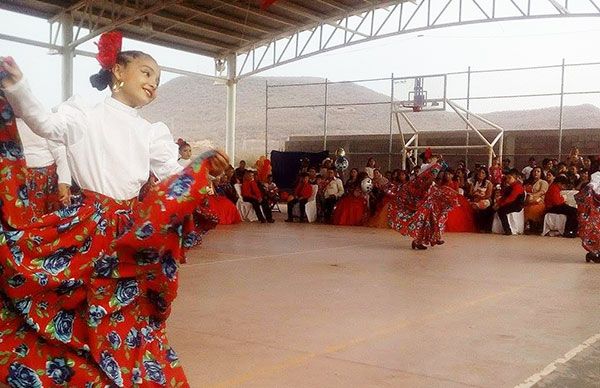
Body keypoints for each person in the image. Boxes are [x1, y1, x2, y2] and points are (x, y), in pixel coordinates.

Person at [0, 32, 228, 387]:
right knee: (75, 301)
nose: (153, 83)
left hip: (130, 234)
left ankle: (125, 370)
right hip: (89, 226)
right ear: (118, 70)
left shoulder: (152, 131)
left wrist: (201, 168)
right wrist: (19, 87)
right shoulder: (84, 114)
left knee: (127, 313)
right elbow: (46, 124)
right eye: (146, 72)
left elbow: (172, 174)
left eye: (158, 79)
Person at [388, 155, 459, 250]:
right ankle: (422, 240)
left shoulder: (431, 172)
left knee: (432, 221)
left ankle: (426, 239)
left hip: (429, 203)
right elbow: (427, 183)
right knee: (425, 222)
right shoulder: (427, 172)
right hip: (426, 204)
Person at [17, 119, 72, 217]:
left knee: (52, 220)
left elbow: (59, 152)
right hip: (19, 180)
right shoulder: (6, 122)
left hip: (48, 180)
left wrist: (64, 182)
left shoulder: (42, 118)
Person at [575, 172, 600, 262]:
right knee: (595, 231)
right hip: (595, 210)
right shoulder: (597, 176)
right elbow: (592, 186)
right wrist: (590, 187)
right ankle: (595, 253)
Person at [493, 169, 525, 235]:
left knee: (501, 211)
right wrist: (497, 203)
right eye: (507, 178)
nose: (507, 180)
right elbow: (504, 197)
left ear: (515, 178)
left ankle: (507, 230)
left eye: (509, 178)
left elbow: (511, 198)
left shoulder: (518, 187)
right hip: (511, 204)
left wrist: (500, 205)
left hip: (517, 205)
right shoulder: (509, 187)